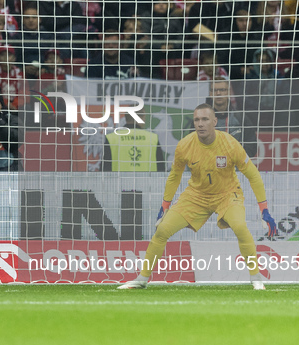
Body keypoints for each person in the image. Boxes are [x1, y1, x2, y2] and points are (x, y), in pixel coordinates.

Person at [118, 103, 277, 291]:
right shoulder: (184, 145)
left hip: (227, 194)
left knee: (241, 227)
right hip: (196, 196)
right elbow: (174, 176)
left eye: (205, 119)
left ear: (215, 122)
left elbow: (253, 175)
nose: (200, 124)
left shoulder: (230, 143)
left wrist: (264, 210)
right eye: (197, 120)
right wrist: (165, 205)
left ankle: (256, 278)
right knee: (161, 231)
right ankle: (142, 279)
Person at [185, 78, 258, 158]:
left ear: (228, 92)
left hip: (234, 169)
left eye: (222, 90)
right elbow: (192, 147)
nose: (218, 93)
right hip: (208, 168)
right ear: (210, 93)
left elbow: (252, 146)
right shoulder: (200, 119)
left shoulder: (240, 118)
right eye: (215, 90)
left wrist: (233, 156)